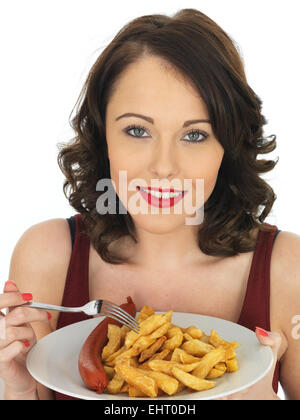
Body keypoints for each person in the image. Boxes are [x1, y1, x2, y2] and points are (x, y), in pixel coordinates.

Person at [1, 8, 299, 400]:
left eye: (194, 135)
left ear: (227, 145)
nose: (163, 167)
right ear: (102, 134)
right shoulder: (48, 255)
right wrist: (16, 389)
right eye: (137, 130)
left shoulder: (287, 269)